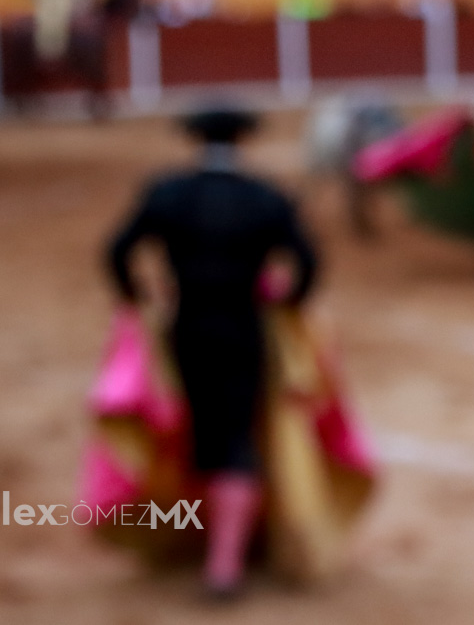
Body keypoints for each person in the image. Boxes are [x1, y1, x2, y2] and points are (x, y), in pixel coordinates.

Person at [105, 106, 319, 596]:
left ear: (195, 140)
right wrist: (288, 302)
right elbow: (307, 262)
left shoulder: (168, 192)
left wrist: (134, 296)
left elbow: (117, 251)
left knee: (194, 424)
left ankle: (197, 539)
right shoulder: (266, 196)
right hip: (245, 328)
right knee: (236, 433)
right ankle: (225, 565)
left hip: (186, 327)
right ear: (243, 139)